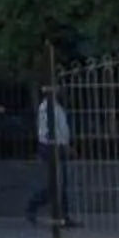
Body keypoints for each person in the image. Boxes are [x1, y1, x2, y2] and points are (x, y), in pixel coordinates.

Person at [25, 89, 73, 229]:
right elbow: (48, 131)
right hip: (51, 148)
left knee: (61, 183)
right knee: (56, 185)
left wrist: (66, 145)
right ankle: (32, 205)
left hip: (58, 147)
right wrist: (60, 145)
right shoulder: (46, 108)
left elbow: (61, 128)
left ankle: (64, 216)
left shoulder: (56, 107)